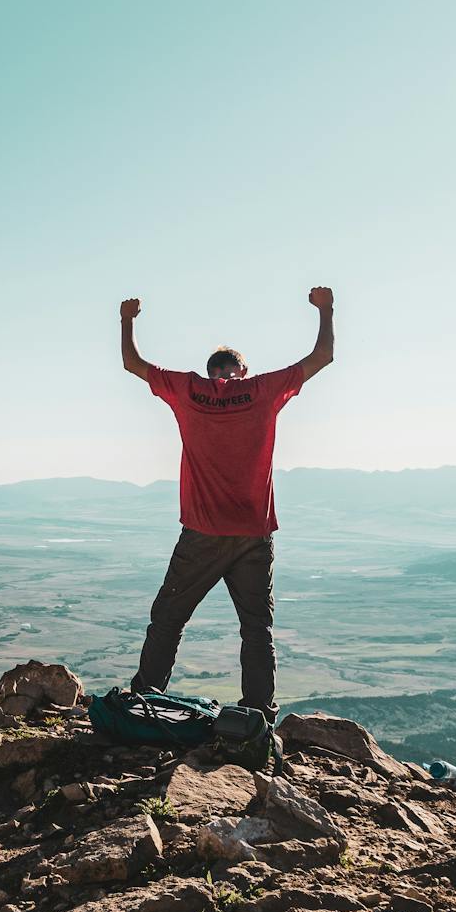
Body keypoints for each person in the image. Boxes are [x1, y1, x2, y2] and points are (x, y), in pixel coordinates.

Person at [119, 287, 335, 721]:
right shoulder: (263, 389)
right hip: (254, 533)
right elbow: (322, 356)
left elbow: (132, 363)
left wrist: (127, 319)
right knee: (257, 629)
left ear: (210, 372)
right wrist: (326, 309)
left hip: (202, 531)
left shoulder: (187, 390)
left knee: (168, 619)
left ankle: (145, 701)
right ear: (242, 370)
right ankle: (257, 717)